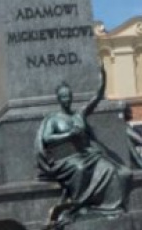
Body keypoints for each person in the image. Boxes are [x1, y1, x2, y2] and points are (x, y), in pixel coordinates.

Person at [35, 68, 132, 219]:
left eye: (68, 96)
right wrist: (68, 135)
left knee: (110, 169)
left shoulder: (79, 114)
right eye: (63, 97)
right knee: (79, 169)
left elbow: (96, 98)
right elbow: (47, 138)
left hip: (86, 154)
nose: (67, 99)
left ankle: (109, 207)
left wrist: (103, 79)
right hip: (65, 158)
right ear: (59, 99)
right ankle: (76, 205)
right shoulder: (53, 118)